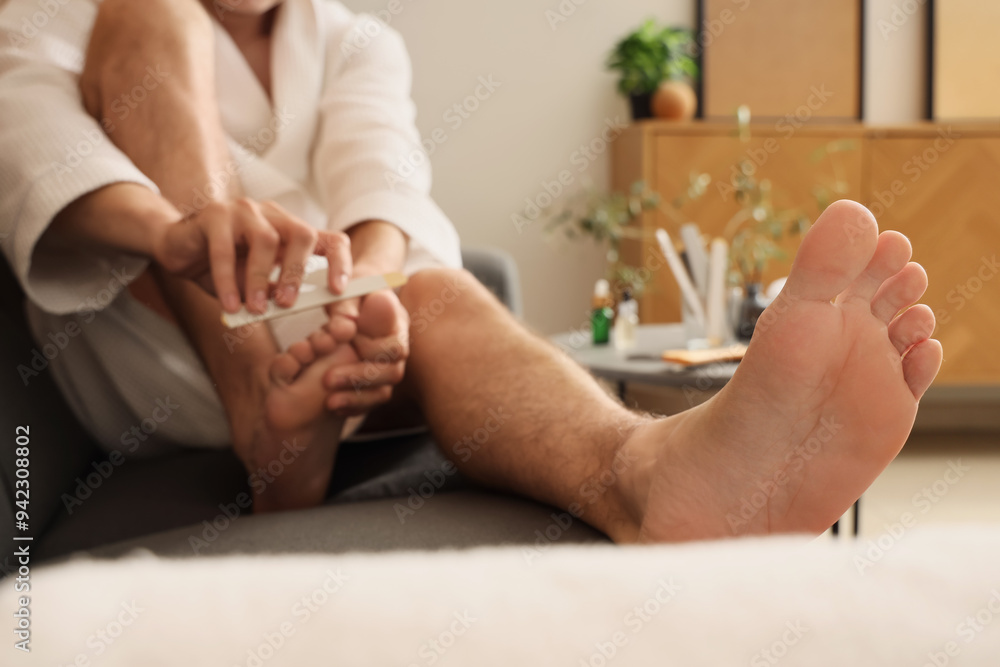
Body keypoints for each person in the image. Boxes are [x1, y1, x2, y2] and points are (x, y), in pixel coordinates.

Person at [0, 0, 942, 542]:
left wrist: (365, 300)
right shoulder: (75, 11)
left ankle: (654, 476)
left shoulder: (355, 40)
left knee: (442, 294)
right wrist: (177, 233)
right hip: (152, 342)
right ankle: (265, 407)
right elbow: (28, 138)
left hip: (336, 346)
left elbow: (386, 184)